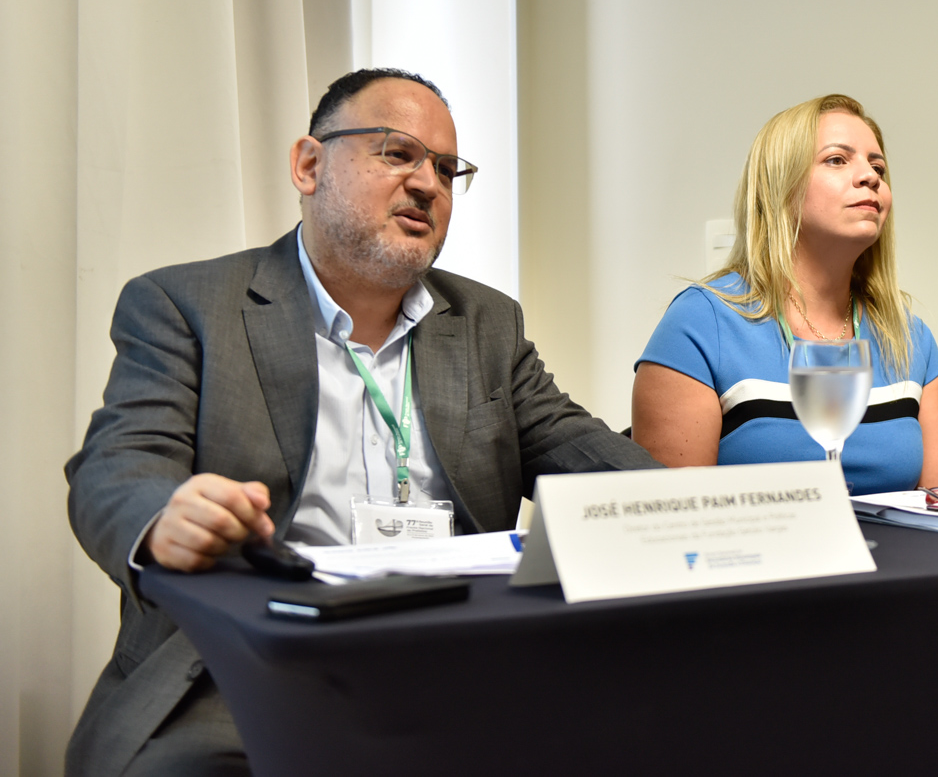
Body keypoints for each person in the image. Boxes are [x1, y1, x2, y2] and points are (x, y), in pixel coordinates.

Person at [64, 69, 661, 776]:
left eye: (447, 169)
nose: (428, 183)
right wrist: (165, 517)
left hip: (458, 656)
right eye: (397, 153)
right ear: (309, 165)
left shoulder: (486, 323)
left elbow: (578, 447)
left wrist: (710, 506)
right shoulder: (188, 305)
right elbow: (117, 465)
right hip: (249, 662)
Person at [631, 94, 938, 494]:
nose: (870, 177)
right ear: (780, 187)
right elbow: (676, 516)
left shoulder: (911, 338)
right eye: (837, 160)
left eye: (878, 167)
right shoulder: (701, 323)